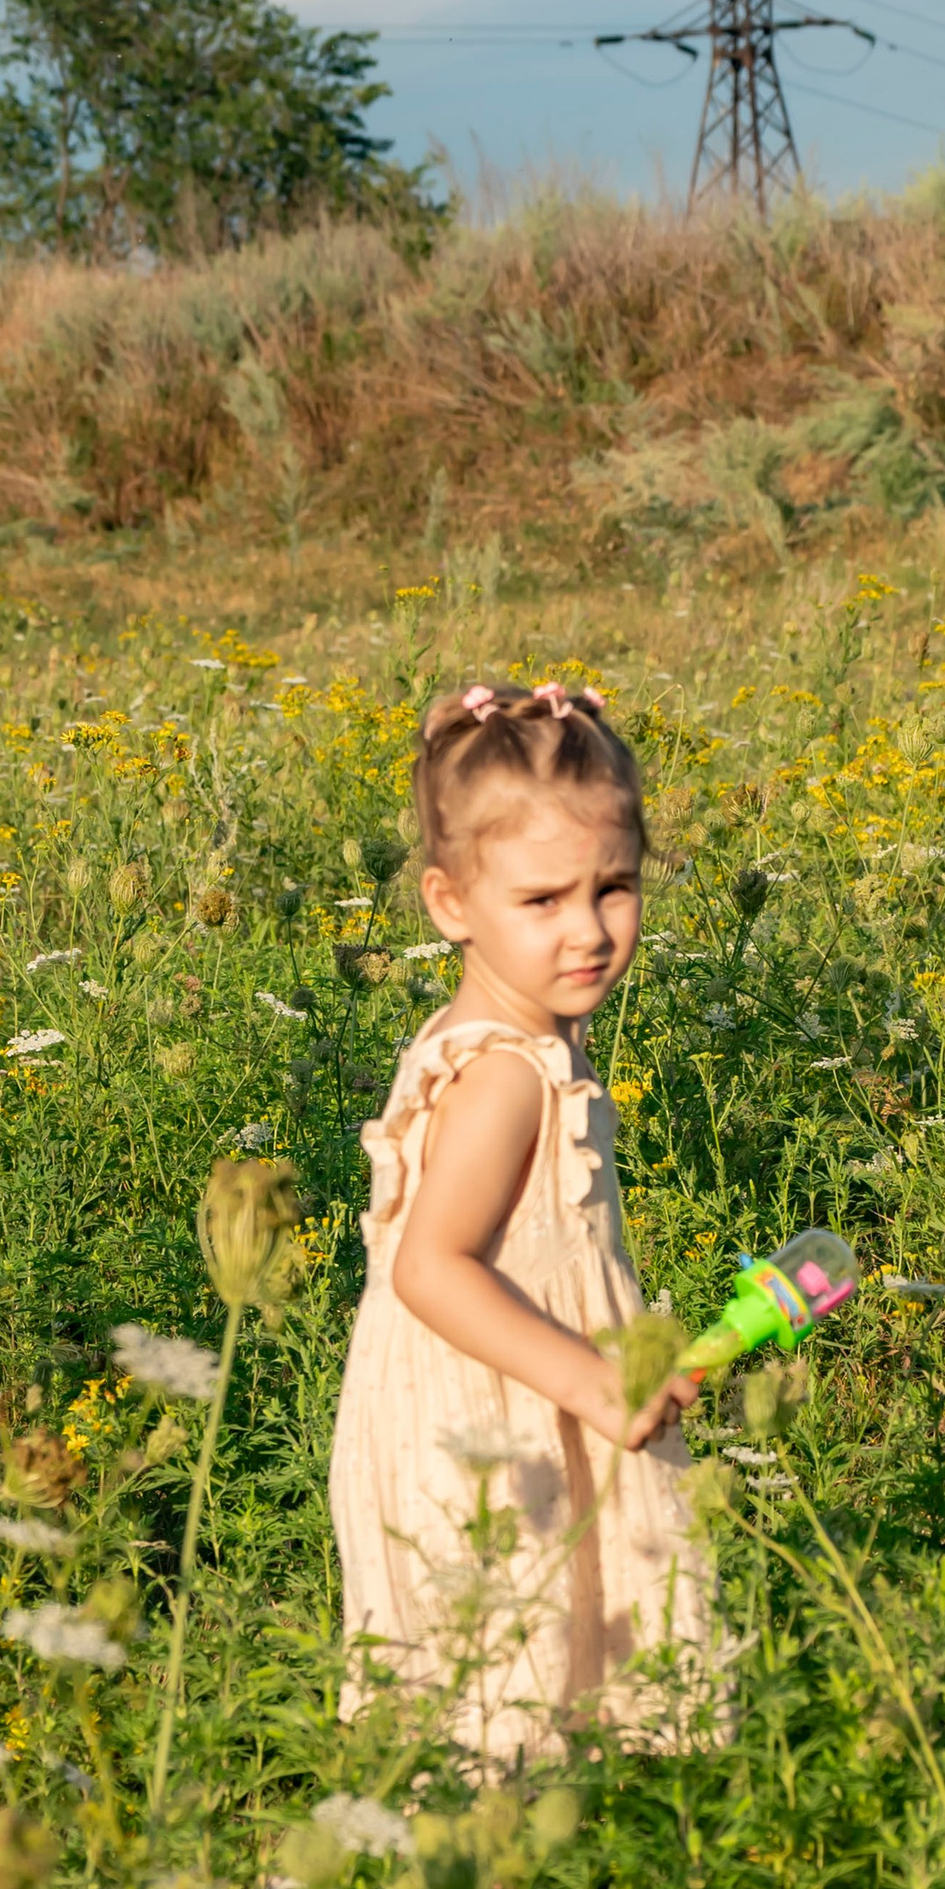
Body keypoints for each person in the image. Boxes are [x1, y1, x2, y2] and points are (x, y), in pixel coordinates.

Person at [330, 677, 717, 1762]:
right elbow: (432, 1269)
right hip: (490, 1443)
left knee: (510, 1696)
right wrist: (596, 1381)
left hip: (514, 1409)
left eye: (614, 887)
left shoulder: (524, 1036)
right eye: (542, 900)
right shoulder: (505, 1075)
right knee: (491, 1699)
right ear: (452, 904)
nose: (588, 930)